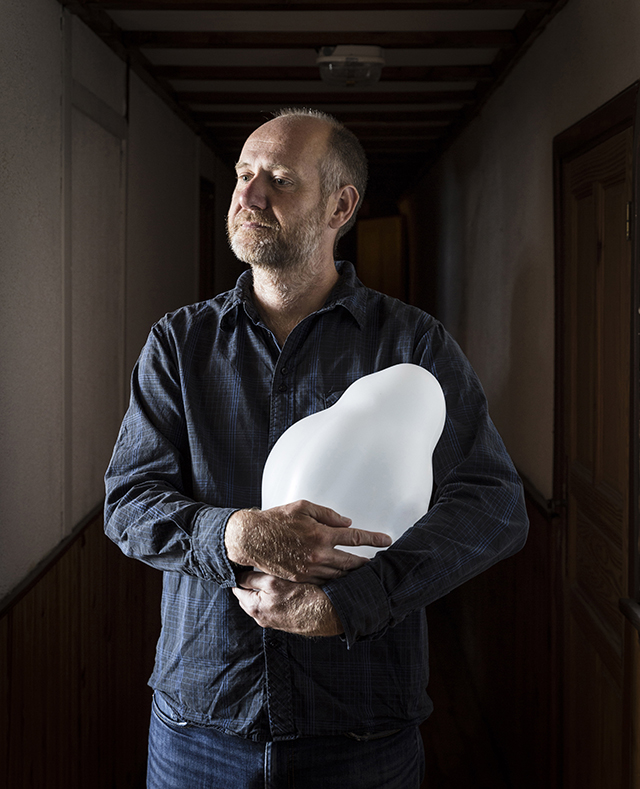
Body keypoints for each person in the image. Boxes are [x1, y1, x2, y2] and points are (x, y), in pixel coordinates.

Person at [104, 108, 529, 789]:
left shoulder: (412, 346)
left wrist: (354, 603)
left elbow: (497, 505)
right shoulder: (178, 344)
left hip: (360, 731)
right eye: (244, 174)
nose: (248, 194)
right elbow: (127, 501)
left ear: (341, 204)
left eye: (278, 178)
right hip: (199, 728)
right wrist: (236, 532)